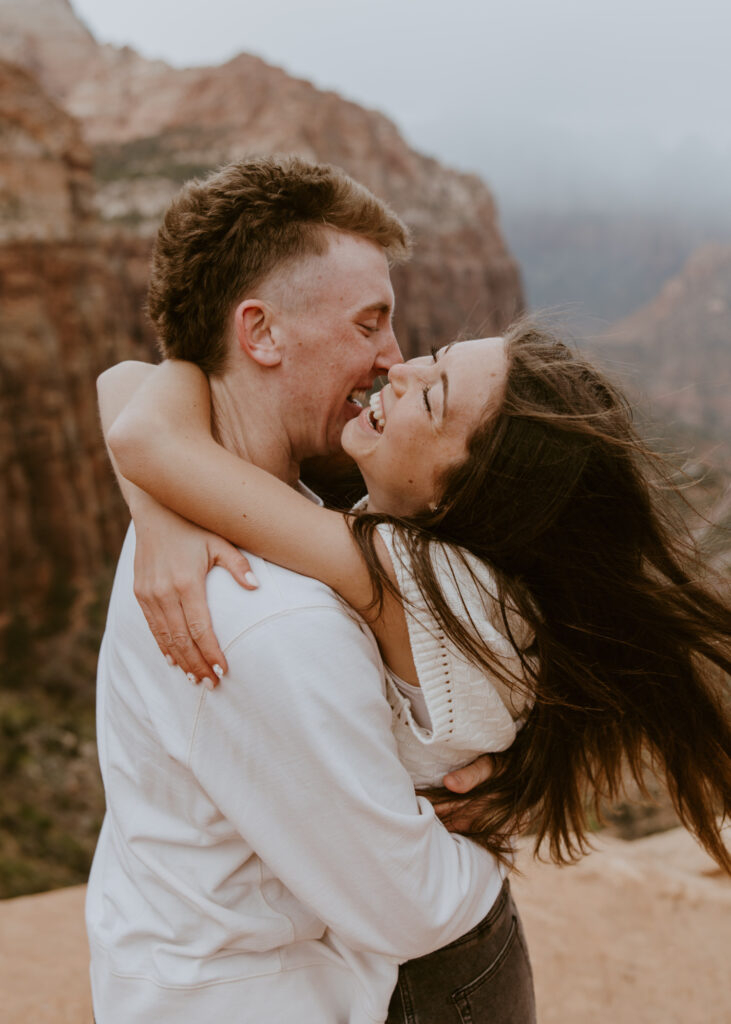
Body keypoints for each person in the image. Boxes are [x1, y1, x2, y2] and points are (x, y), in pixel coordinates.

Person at [88, 156, 536, 1024]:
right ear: (260, 333)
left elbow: (130, 388)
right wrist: (491, 835)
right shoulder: (265, 615)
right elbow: (410, 908)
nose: (391, 359)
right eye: (371, 323)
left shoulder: (216, 499)